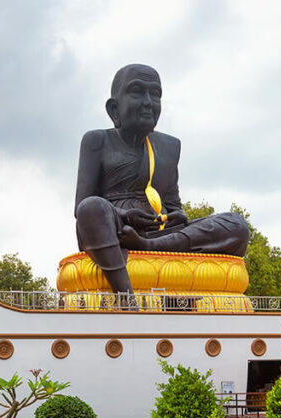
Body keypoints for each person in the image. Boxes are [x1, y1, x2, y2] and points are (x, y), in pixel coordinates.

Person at [74, 64, 250, 293]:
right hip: (116, 232)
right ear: (114, 109)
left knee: (236, 225)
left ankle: (147, 246)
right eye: (137, 91)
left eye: (155, 94)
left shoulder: (169, 146)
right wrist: (125, 215)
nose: (148, 102)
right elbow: (81, 207)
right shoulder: (97, 141)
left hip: (160, 235)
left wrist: (175, 216)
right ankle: (126, 297)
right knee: (91, 208)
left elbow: (174, 205)